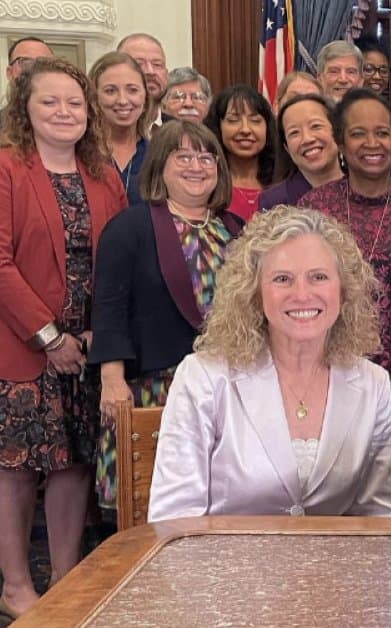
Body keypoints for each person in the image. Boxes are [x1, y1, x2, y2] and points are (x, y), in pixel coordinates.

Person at [147, 206, 391, 521]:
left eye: (318, 277)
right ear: (254, 292)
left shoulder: (373, 384)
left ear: (344, 289)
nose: (302, 295)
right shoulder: (203, 376)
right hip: (224, 568)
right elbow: (175, 518)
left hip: (333, 569)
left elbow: (376, 519)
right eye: (282, 279)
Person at [0, 57, 127, 618]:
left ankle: (68, 578)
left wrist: (99, 328)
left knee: (74, 462)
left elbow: (120, 259)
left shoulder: (102, 173)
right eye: (49, 101)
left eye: (74, 102)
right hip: (22, 345)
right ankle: (15, 583)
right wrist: (50, 337)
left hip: (89, 347)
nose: (64, 111)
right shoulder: (6, 167)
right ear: (24, 108)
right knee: (20, 467)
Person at [298, 88, 391, 490]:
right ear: (340, 143)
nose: (372, 144)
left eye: (382, 133)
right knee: (336, 491)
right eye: (358, 134)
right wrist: (348, 363)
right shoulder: (315, 208)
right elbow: (300, 294)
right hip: (331, 377)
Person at [89, 120, 243, 511]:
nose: (196, 165)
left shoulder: (235, 229)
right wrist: (111, 378)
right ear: (160, 166)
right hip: (154, 388)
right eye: (183, 156)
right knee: (153, 500)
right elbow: (109, 307)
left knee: (217, 496)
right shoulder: (129, 228)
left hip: (225, 387)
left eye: (206, 157)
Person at [89, 52, 150, 207]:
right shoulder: (78, 154)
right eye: (110, 91)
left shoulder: (158, 155)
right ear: (94, 98)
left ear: (145, 96)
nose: (122, 100)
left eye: (132, 90)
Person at [205, 85, 274, 221]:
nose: (245, 130)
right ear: (218, 127)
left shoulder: (284, 181)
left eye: (255, 121)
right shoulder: (206, 182)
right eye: (233, 120)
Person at [260, 94, 342, 208]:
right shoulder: (274, 201)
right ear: (286, 147)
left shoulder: (366, 187)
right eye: (294, 133)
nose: (307, 139)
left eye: (316, 126)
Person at [116, 34, 168, 128]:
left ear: (166, 74)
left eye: (157, 64)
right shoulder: (94, 132)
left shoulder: (179, 132)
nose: (150, 71)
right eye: (138, 64)